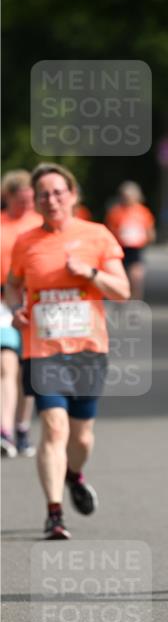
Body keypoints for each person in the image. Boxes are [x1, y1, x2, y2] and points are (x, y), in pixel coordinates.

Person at [4, 163, 130, 540]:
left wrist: (90, 273)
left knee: (81, 437)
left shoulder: (97, 235)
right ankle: (54, 513)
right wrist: (16, 309)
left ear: (73, 195)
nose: (52, 200)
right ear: (36, 201)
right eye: (44, 194)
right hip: (42, 349)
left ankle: (74, 475)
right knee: (54, 427)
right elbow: (12, 285)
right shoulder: (26, 242)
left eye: (59, 192)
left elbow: (122, 291)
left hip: (88, 349)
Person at [1, 170, 42, 458]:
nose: (27, 205)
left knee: (29, 370)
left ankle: (22, 427)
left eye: (31, 200)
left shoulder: (40, 224)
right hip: (3, 303)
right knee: (6, 365)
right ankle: (4, 431)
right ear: (8, 197)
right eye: (21, 200)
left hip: (35, 304)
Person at [105, 182, 155, 300]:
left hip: (136, 249)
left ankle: (136, 300)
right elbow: (109, 231)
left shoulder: (143, 212)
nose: (127, 198)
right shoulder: (115, 212)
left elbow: (150, 231)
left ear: (137, 196)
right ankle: (121, 298)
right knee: (121, 276)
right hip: (120, 249)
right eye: (124, 196)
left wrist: (146, 239)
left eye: (130, 196)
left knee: (136, 276)